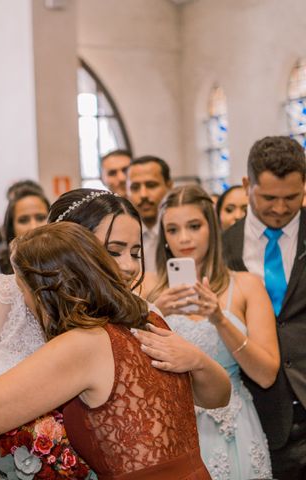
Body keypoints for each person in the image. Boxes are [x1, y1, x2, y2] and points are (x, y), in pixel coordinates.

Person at [0, 188, 230, 479]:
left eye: (135, 253)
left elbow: (209, 398)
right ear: (70, 247)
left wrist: (197, 360)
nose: (129, 266)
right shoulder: (2, 300)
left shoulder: (131, 316)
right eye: (113, 250)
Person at [142, 184, 277, 479]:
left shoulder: (245, 285)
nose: (184, 238)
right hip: (170, 425)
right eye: (173, 230)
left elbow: (266, 374)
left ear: (212, 227)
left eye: (194, 226)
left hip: (233, 423)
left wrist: (220, 319)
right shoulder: (147, 287)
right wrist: (154, 311)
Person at [222, 136, 306, 480]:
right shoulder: (223, 245)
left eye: (293, 197)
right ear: (246, 186)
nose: (281, 208)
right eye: (269, 197)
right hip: (254, 413)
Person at [0, 188, 50, 286]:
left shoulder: (66, 262)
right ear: (11, 226)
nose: (33, 226)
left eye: (40, 218)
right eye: (23, 220)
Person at [127, 155, 173, 273]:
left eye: (151, 185)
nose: (143, 194)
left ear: (169, 186)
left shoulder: (184, 233)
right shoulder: (119, 236)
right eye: (135, 187)